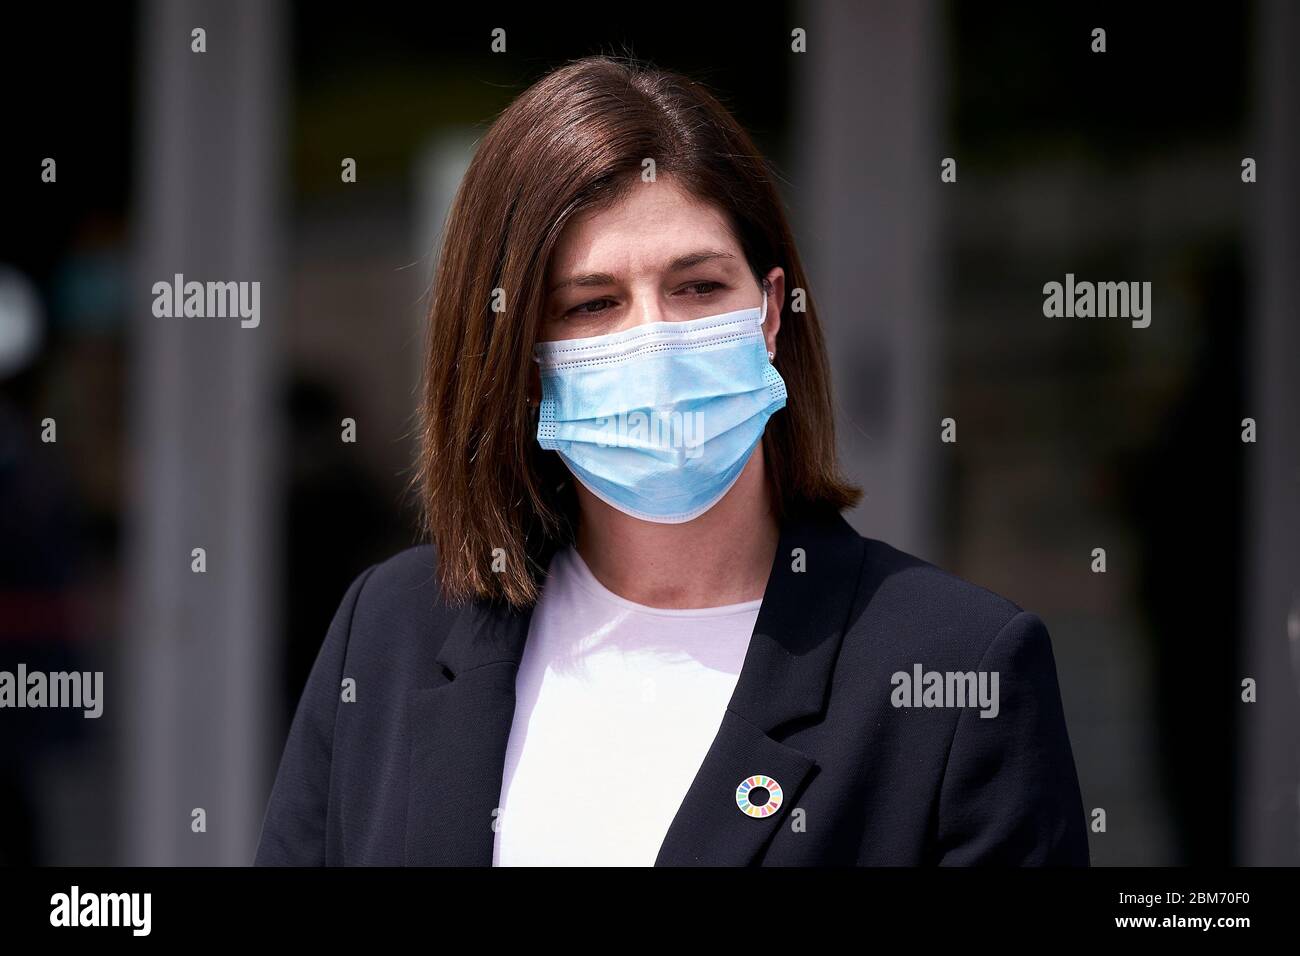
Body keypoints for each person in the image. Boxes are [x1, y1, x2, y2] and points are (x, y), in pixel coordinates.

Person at [254, 55, 1089, 866]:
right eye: (592, 303)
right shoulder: (393, 629)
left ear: (769, 312)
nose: (653, 339)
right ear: (516, 355)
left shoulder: (955, 666)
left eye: (697, 287)